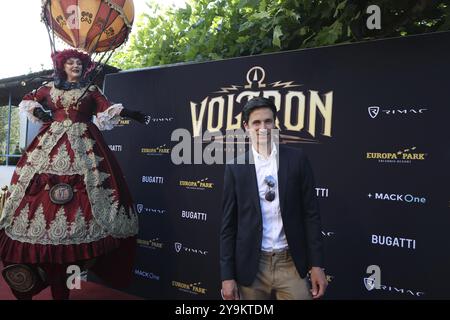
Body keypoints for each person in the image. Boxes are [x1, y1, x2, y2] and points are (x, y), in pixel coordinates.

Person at [0, 49, 146, 300]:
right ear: (62, 66)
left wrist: (130, 114)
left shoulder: (91, 91)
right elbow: (28, 100)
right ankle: (35, 272)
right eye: (70, 62)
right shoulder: (48, 88)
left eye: (79, 62)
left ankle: (68, 281)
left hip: (85, 148)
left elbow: (107, 108)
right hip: (49, 145)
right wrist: (40, 113)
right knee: (36, 202)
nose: (75, 65)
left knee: (83, 211)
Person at [220, 97, 328, 300]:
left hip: (291, 263)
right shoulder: (235, 167)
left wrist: (317, 265)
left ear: (275, 123)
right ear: (246, 127)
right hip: (252, 265)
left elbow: (311, 215)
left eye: (268, 121)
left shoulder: (297, 159)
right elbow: (228, 227)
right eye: (256, 122)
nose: (263, 127)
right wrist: (227, 276)